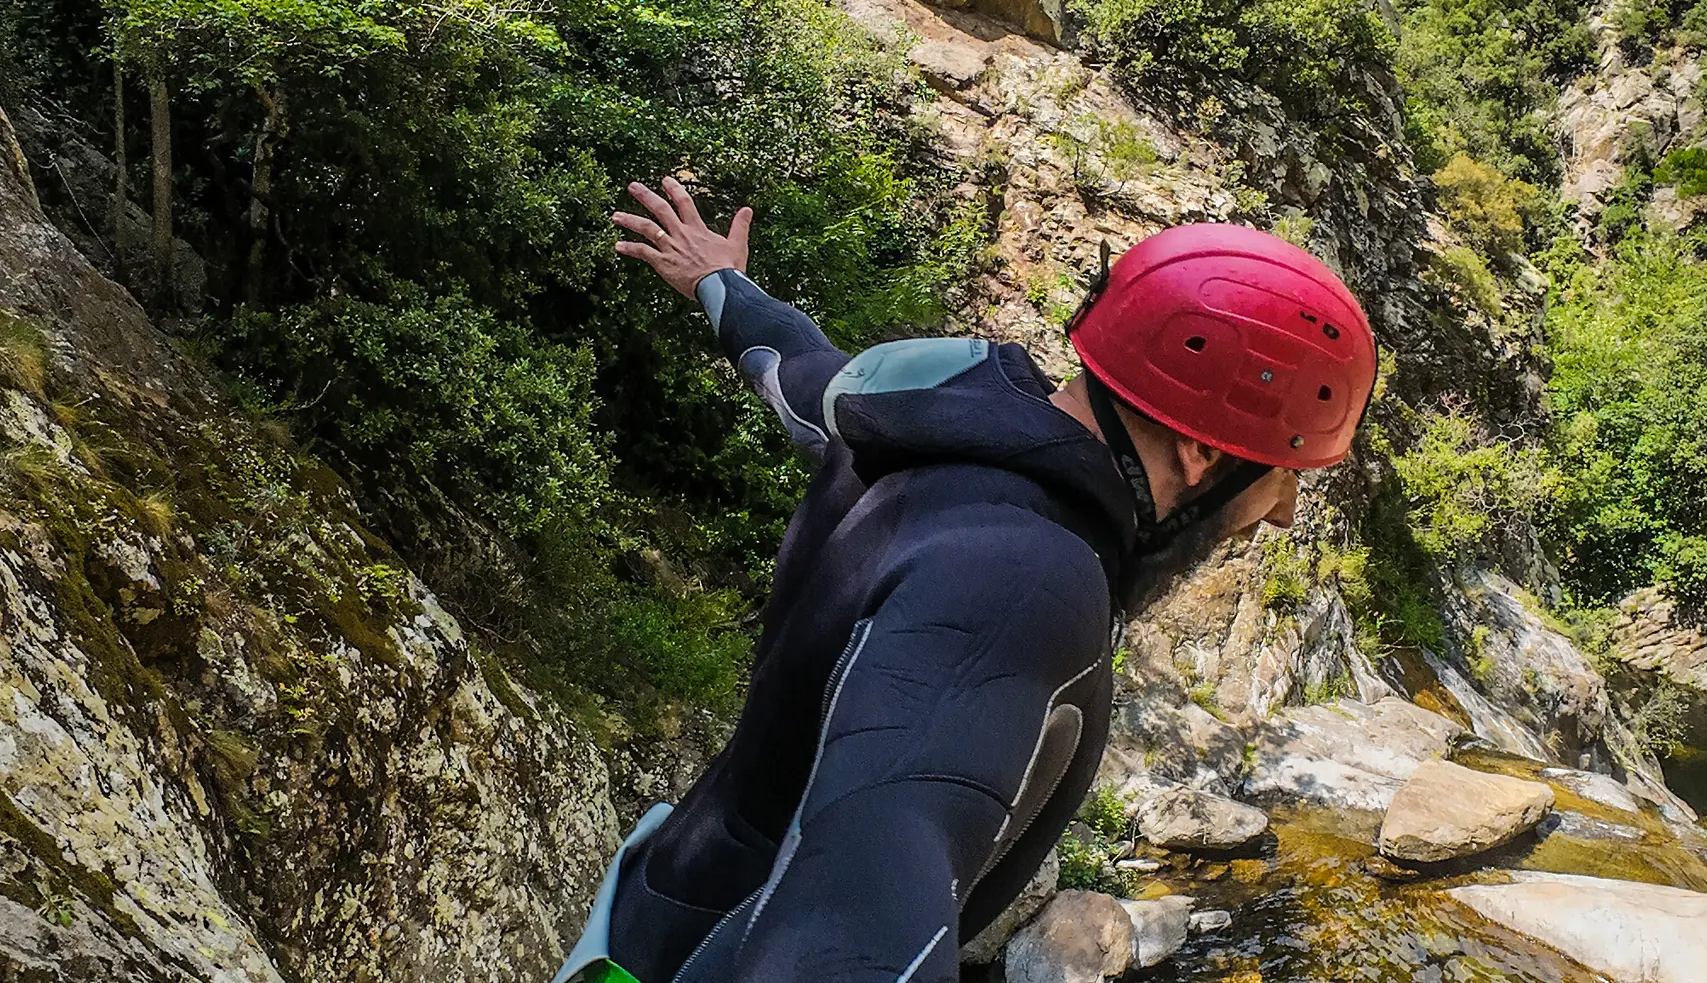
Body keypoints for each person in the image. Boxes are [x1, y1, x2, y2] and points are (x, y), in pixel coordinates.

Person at [553, 176, 1377, 983]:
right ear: (1204, 454)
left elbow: (798, 372)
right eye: (1284, 474)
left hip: (660, 909)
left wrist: (718, 282)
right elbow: (848, 933)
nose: (1284, 513)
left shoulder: (932, 410)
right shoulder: (1022, 584)